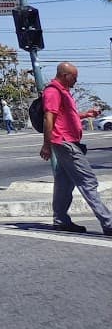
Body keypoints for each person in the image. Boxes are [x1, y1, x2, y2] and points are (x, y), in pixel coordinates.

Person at [39, 61, 111, 234]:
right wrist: (46, 145)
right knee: (88, 181)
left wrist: (86, 114)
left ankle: (60, 221)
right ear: (65, 75)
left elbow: (67, 117)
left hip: (67, 141)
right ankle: (108, 223)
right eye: (74, 77)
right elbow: (48, 118)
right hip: (65, 143)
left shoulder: (64, 92)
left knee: (64, 183)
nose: (76, 81)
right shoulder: (53, 92)